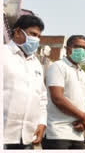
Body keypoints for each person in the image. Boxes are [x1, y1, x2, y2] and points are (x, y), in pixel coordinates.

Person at [3, 15, 48, 149]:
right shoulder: (3, 55)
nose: (36, 40)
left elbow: (42, 98)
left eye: (39, 36)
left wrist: (41, 123)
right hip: (4, 134)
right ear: (17, 32)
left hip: (27, 137)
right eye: (33, 34)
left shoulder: (36, 64)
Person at [44, 35, 85, 149]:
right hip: (58, 132)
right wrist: (84, 117)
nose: (81, 50)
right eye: (77, 46)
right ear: (67, 48)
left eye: (84, 48)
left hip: (78, 132)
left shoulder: (82, 73)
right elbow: (57, 98)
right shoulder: (57, 66)